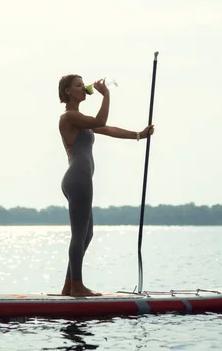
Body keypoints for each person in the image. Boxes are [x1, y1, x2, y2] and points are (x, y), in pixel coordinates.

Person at [58, 74, 155, 297]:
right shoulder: (69, 117)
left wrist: (139, 135)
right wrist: (107, 94)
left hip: (80, 179)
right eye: (78, 85)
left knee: (87, 234)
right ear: (68, 92)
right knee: (79, 233)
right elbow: (101, 121)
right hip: (78, 179)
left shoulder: (81, 119)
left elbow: (107, 129)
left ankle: (68, 286)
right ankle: (78, 286)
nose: (84, 88)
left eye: (84, 85)